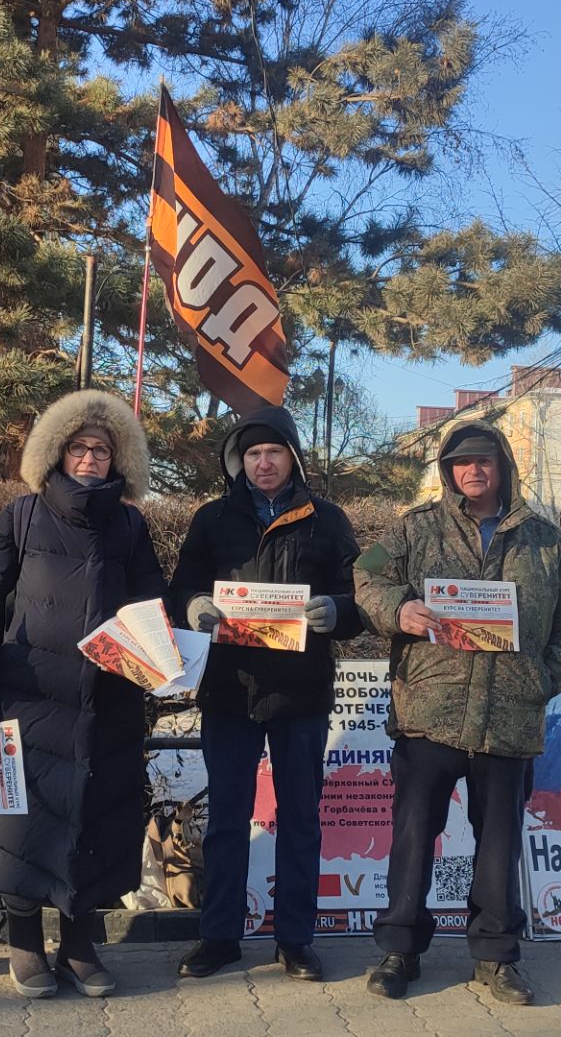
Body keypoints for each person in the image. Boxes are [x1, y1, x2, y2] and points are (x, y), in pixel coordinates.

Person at [353, 421, 561, 1005]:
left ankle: (495, 957)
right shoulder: (414, 529)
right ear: (447, 472)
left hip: (509, 715)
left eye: (484, 461)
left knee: (498, 844)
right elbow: (366, 575)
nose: (473, 471)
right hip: (429, 711)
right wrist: (399, 609)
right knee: (415, 837)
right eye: (460, 463)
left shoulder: (547, 541)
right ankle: (400, 951)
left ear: (503, 467)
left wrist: (548, 674)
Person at [0, 389, 165, 999]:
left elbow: (151, 600)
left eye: (102, 450)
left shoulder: (129, 523)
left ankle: (80, 945)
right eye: (80, 448)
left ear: (118, 459)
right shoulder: (20, 517)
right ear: (57, 453)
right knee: (24, 820)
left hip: (109, 702)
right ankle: (25, 944)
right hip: (27, 699)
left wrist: (162, 642)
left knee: (97, 820)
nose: (91, 459)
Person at [168, 406, 363, 982]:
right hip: (229, 691)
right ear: (238, 463)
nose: (263, 462)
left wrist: (339, 613)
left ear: (292, 458)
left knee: (300, 819)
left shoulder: (326, 520)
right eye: (251, 454)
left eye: (272, 452)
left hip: (299, 693)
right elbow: (182, 583)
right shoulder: (212, 519)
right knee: (227, 820)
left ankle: (295, 940)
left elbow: (359, 594)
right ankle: (219, 936)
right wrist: (193, 606)